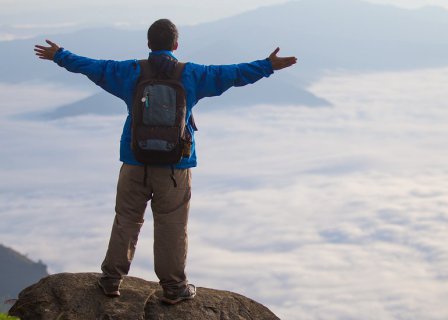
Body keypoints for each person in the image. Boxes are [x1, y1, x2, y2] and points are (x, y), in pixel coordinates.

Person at [34, 18, 297, 304]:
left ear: (149, 44)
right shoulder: (192, 74)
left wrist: (60, 56)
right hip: (175, 166)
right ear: (176, 45)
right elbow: (231, 74)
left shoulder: (129, 72)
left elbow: (94, 67)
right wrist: (268, 65)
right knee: (172, 224)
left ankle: (111, 280)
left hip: (135, 161)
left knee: (127, 219)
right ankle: (173, 287)